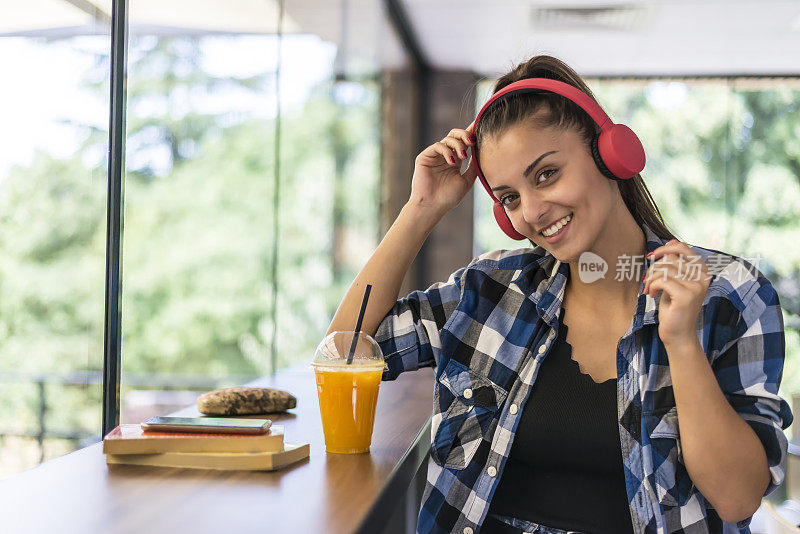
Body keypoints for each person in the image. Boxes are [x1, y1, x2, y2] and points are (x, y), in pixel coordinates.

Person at [326, 55, 793, 534]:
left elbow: (737, 499)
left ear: (611, 153)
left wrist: (681, 343)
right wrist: (421, 208)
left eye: (546, 174)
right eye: (509, 197)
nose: (531, 211)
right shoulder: (490, 290)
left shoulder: (729, 291)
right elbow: (343, 351)